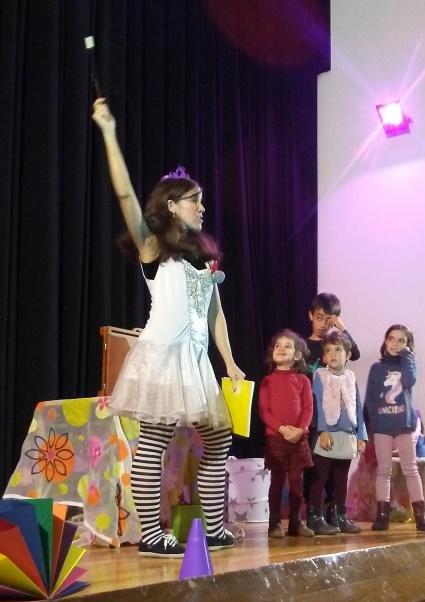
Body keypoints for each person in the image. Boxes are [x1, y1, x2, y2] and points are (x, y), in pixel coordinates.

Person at [92, 98, 244, 558]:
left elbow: (215, 314)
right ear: (172, 205)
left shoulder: (204, 257)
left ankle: (213, 527)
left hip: (196, 360)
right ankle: (152, 535)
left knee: (219, 437)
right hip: (162, 354)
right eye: (195, 199)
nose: (203, 206)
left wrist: (230, 362)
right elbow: (125, 197)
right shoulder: (153, 247)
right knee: (155, 439)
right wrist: (109, 133)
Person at [364, 324, 425, 532]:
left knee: (410, 468)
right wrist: (369, 427)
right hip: (382, 425)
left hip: (403, 424)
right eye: (391, 339)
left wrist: (407, 356)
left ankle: (420, 515)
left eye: (402, 340)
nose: (395, 344)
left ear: (408, 344)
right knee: (384, 469)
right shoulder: (377, 368)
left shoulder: (408, 364)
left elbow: (409, 381)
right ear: (385, 341)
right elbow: (370, 399)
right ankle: (383, 514)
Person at [304, 292, 360, 527]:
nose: (323, 324)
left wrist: (341, 327)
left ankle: (333, 514)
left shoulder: (335, 345)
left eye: (329, 320)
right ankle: (313, 514)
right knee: (316, 470)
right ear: (310, 316)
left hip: (337, 420)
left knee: (336, 472)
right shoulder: (304, 346)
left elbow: (355, 353)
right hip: (312, 416)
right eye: (319, 318)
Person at [308, 331, 367, 535]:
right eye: (328, 351)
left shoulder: (351, 376)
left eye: (338, 350)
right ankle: (315, 517)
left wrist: (361, 435)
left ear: (348, 354)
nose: (332, 354)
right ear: (324, 357)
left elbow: (357, 406)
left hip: (347, 435)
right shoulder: (320, 375)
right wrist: (322, 431)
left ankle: (340, 516)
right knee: (320, 478)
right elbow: (317, 404)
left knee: (341, 480)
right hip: (327, 435)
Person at [259, 330, 315, 538]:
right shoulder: (267, 381)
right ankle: (274, 523)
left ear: (297, 355)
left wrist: (300, 430)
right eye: (278, 346)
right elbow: (264, 411)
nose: (281, 349)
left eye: (287, 346)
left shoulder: (303, 380)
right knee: (277, 482)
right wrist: (282, 429)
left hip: (298, 438)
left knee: (297, 483)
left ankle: (295, 522)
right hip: (276, 438)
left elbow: (308, 409)